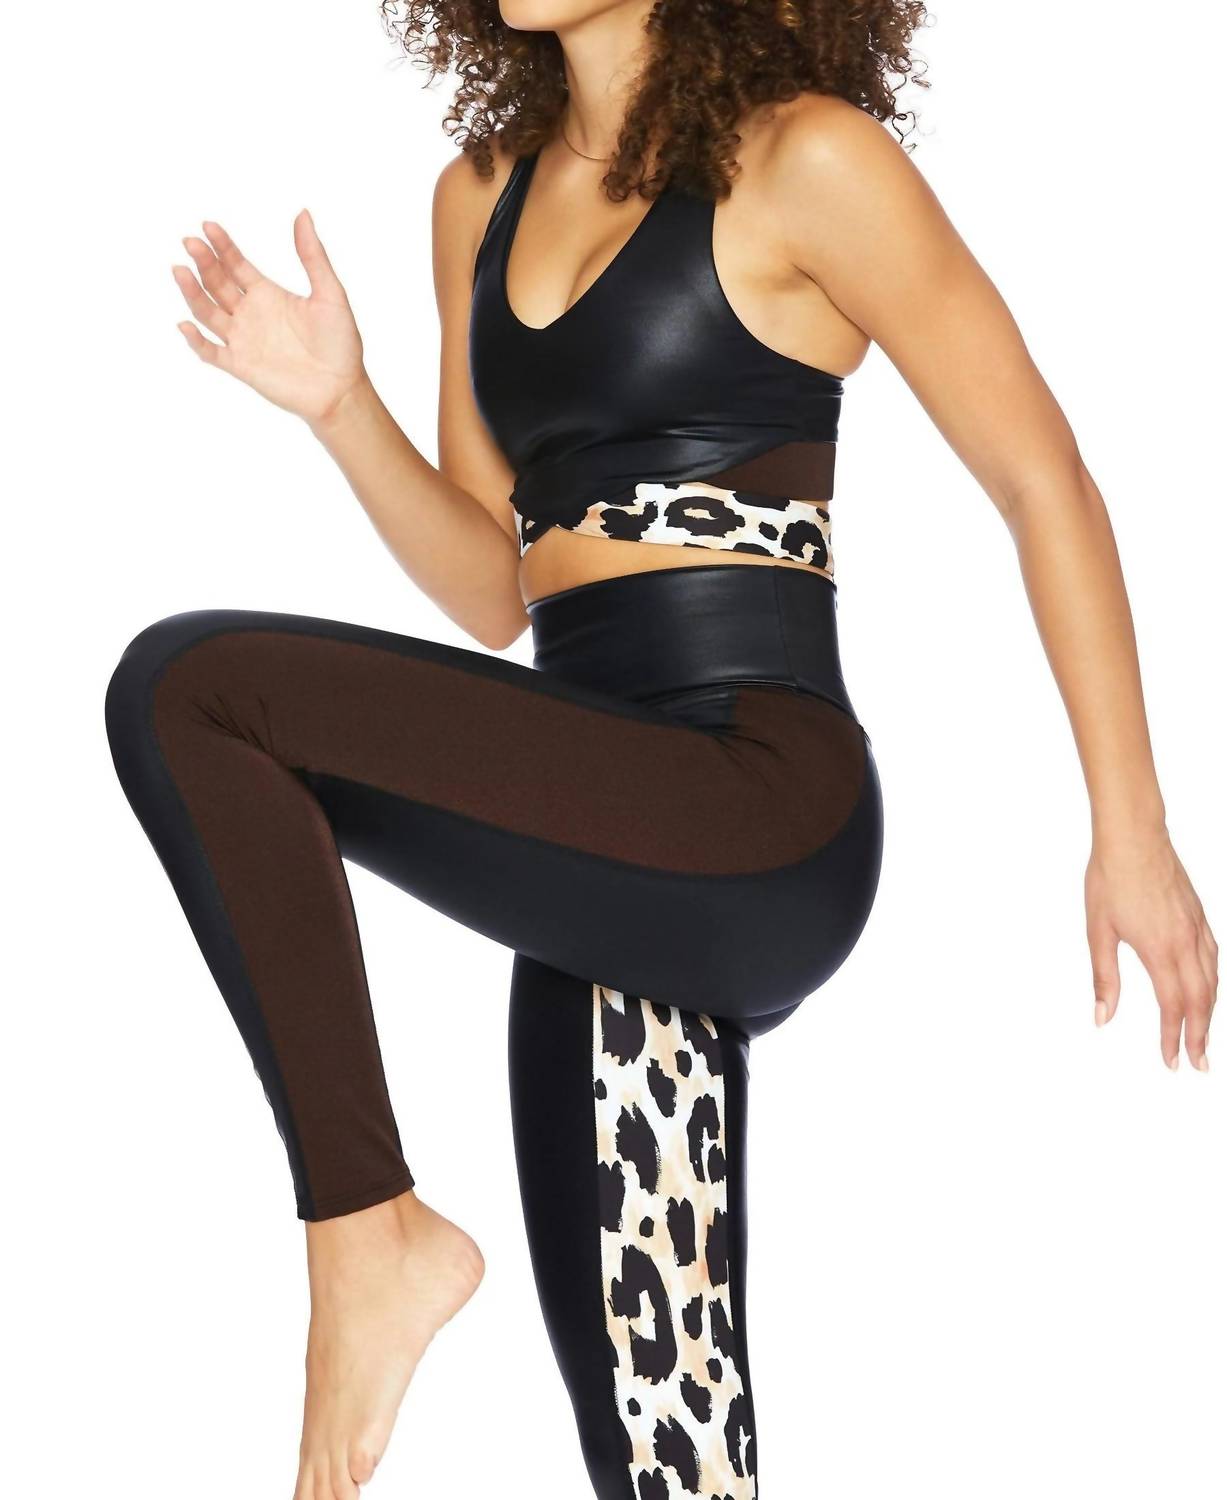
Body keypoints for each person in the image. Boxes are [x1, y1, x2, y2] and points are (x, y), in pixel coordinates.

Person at [103, 1, 1218, 1496]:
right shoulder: (480, 197)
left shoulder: (809, 162)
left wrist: (1130, 828)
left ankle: (365, 1230)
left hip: (758, 800)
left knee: (195, 690)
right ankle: (381, 1243)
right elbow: (496, 589)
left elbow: (1041, 477)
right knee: (664, 1456)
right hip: (595, 840)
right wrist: (341, 405)